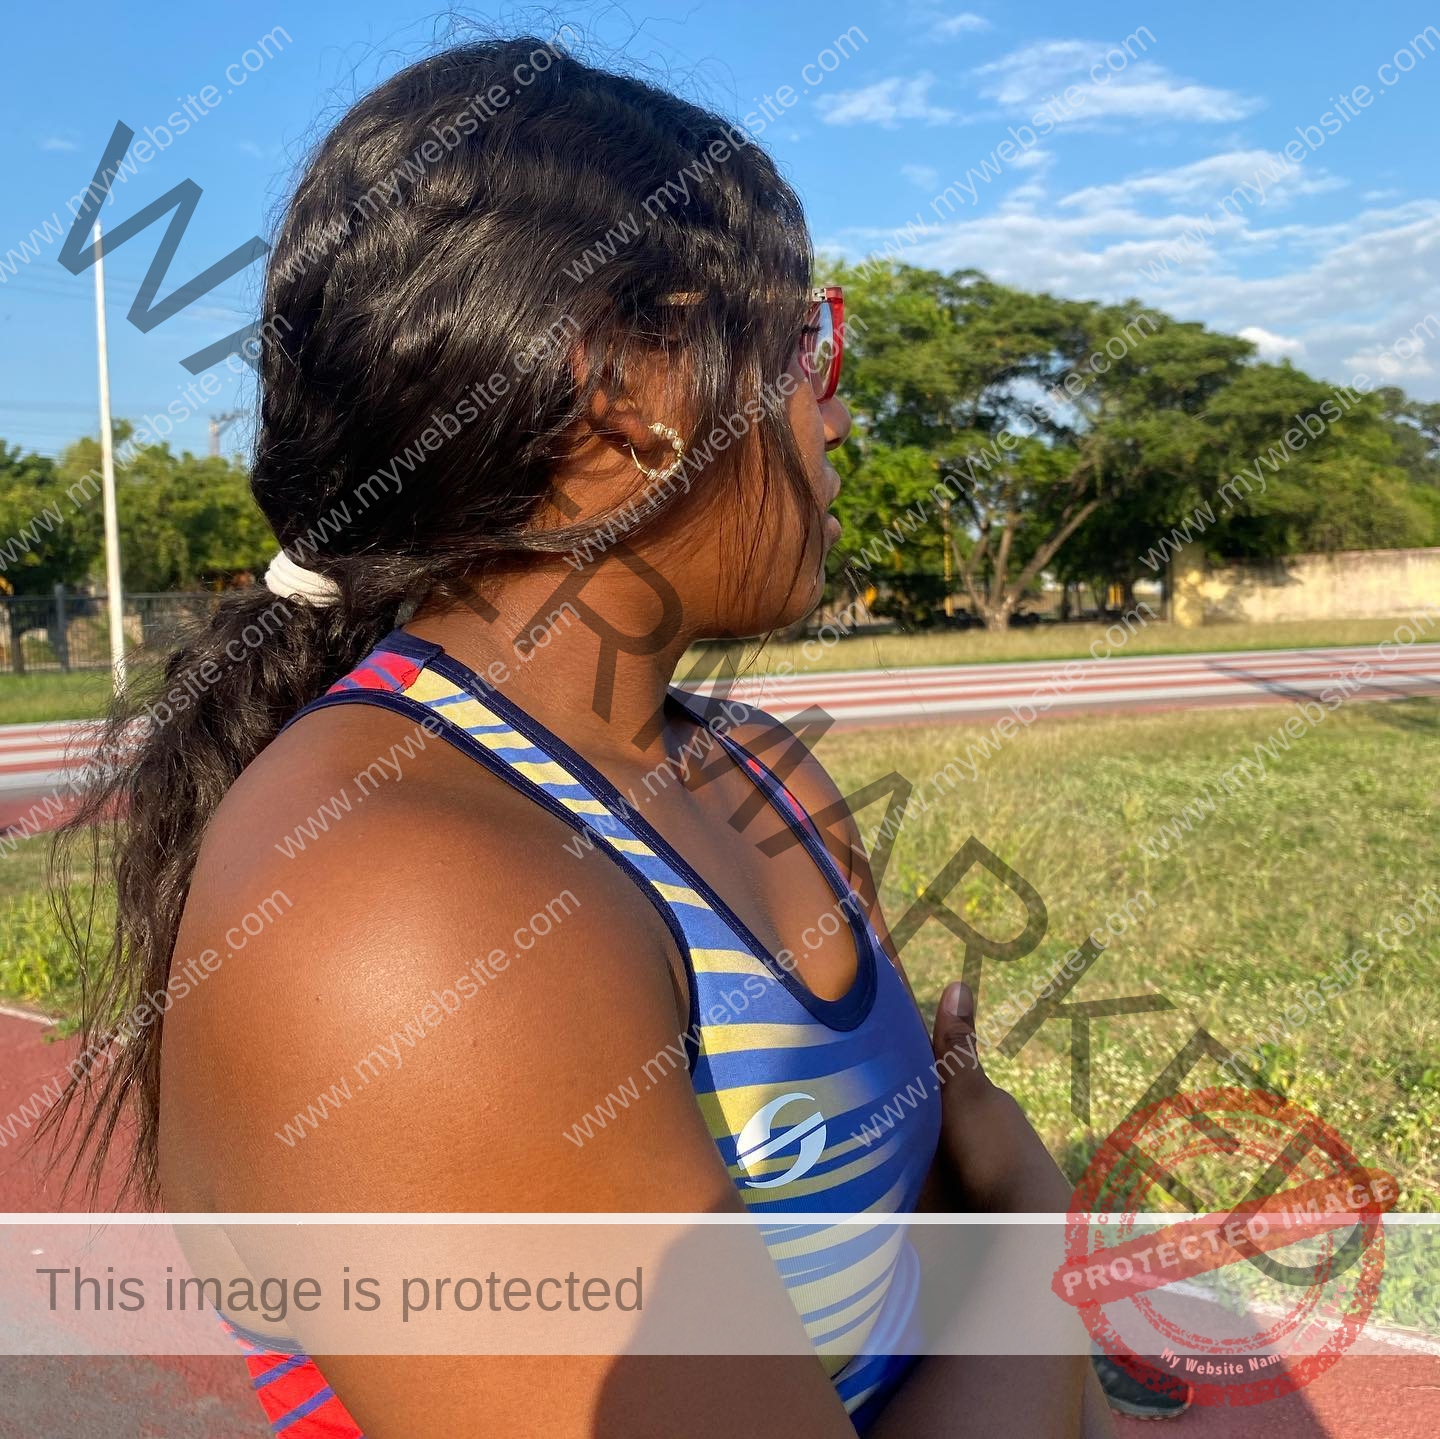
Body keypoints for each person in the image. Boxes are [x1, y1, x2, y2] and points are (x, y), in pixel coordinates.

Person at [53, 35, 1128, 1438]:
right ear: (628, 389)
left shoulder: (761, 781)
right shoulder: (391, 912)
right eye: (810, 343)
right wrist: (1032, 1214)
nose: (838, 411)